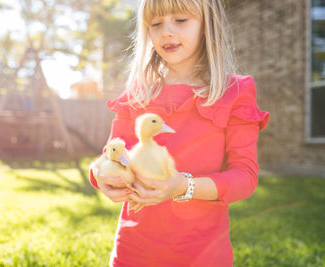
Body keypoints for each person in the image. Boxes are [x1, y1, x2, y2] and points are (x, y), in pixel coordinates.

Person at [89, 0, 270, 266]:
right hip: (133, 250)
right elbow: (111, 155)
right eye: (156, 24)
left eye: (181, 20)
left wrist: (182, 186)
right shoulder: (137, 94)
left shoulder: (235, 92)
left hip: (202, 253)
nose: (167, 32)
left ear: (207, 25)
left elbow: (245, 176)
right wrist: (100, 175)